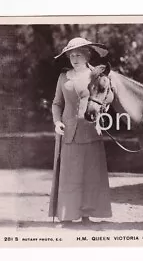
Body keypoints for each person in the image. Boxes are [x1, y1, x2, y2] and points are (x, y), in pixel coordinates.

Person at [48, 37, 112, 227]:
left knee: (90, 176)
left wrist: (103, 110)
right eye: (71, 55)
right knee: (69, 175)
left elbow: (108, 95)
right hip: (68, 131)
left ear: (86, 55)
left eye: (78, 55)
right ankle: (66, 215)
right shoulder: (63, 77)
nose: (75, 58)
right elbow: (56, 103)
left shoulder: (97, 74)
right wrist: (57, 121)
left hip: (92, 130)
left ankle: (87, 215)